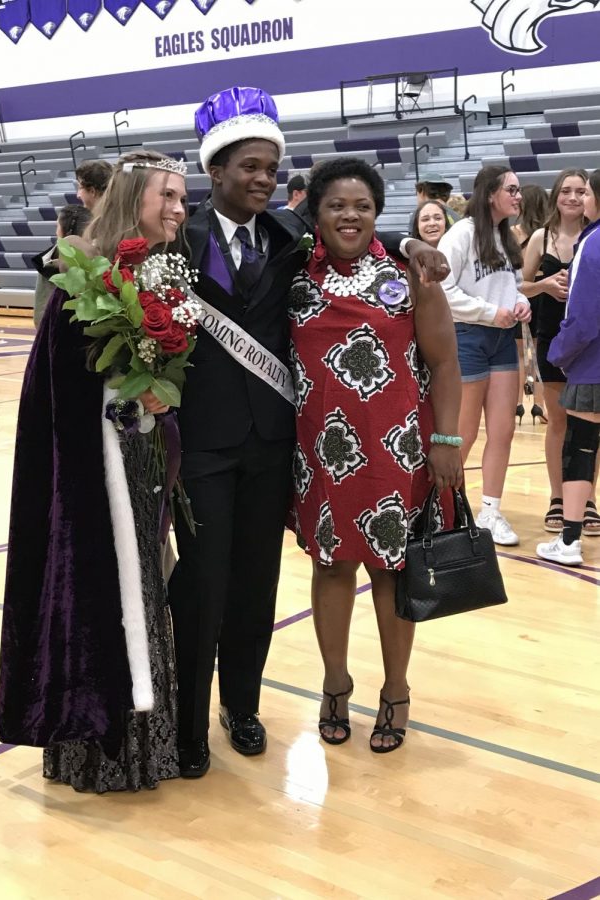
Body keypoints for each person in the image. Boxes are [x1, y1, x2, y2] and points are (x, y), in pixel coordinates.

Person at [168, 85, 452, 779]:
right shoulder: (189, 240)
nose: (262, 178)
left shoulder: (306, 244)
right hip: (240, 449)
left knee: (264, 588)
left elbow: (369, 247)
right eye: (248, 167)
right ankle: (192, 725)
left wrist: (416, 245)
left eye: (271, 167)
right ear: (215, 170)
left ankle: (248, 705)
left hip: (314, 450)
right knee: (211, 584)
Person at [0, 150, 188, 792]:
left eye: (183, 197)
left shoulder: (162, 272)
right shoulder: (82, 277)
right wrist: (134, 394)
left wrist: (156, 390)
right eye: (168, 195)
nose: (180, 209)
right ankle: (95, 747)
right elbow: (59, 389)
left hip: (140, 460)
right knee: (104, 593)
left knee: (145, 590)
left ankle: (145, 744)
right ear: (135, 195)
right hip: (95, 468)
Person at [289, 158, 462, 752]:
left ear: (377, 214)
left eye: (362, 205)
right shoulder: (296, 275)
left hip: (399, 456)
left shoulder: (408, 276)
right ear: (316, 213)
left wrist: (446, 441)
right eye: (337, 205)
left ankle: (395, 690)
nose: (350, 215)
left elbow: (444, 364)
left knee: (392, 573)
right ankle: (335, 683)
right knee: (331, 568)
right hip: (321, 456)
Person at [438, 165, 531, 546]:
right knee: (464, 433)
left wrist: (521, 303)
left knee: (504, 430)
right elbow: (442, 290)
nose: (518, 196)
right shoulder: (460, 234)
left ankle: (490, 511)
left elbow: (514, 287)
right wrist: (490, 312)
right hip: (467, 337)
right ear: (491, 193)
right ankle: (441, 507)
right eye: (512, 189)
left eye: (519, 190)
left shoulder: (506, 237)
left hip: (503, 338)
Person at [520, 171, 592, 533]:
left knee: (592, 422)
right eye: (566, 190)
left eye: (581, 191)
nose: (573, 197)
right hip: (550, 339)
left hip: (591, 342)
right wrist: (544, 285)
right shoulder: (540, 237)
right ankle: (557, 497)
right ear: (556, 195)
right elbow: (518, 285)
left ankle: (588, 498)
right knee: (559, 420)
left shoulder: (594, 236)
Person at [536, 169, 600, 566]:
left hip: (592, 365)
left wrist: (560, 352)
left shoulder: (591, 245)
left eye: (589, 192)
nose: (583, 199)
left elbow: (584, 316)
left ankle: (570, 541)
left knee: (580, 446)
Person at [511, 183, 549, 427]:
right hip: (544, 293)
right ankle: (540, 404)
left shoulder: (513, 232)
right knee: (539, 353)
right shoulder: (548, 234)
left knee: (518, 355)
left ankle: (515, 405)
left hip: (521, 292)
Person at [31, 204, 92, 328]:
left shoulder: (49, 262)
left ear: (62, 230)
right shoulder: (48, 263)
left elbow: (40, 314)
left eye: (57, 225)